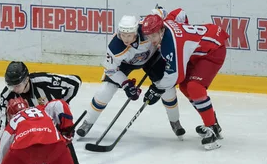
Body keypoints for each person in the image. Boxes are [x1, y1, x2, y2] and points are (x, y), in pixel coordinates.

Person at [77, 9, 188, 140]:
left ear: (136, 31)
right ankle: (87, 122)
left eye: (129, 35)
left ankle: (175, 121)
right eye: (123, 34)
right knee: (105, 90)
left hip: (152, 58)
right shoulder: (115, 47)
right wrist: (126, 84)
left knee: (167, 89)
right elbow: (111, 70)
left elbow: (162, 12)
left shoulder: (147, 29)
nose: (126, 38)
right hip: (125, 64)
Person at [0, 61, 82, 164]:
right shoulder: (7, 95)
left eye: (16, 85)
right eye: (9, 85)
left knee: (64, 142)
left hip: (49, 123)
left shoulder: (44, 81)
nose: (13, 89)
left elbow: (75, 81)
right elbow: (3, 125)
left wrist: (62, 103)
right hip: (26, 128)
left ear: (26, 80)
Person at [140, 14, 229, 150]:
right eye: (148, 36)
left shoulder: (172, 44)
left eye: (153, 36)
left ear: (162, 30)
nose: (151, 40)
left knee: (194, 86)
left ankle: (212, 128)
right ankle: (212, 122)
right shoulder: (167, 23)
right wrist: (185, 29)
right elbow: (179, 12)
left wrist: (157, 89)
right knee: (185, 87)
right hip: (200, 50)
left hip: (214, 50)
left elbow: (177, 76)